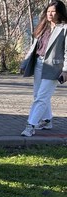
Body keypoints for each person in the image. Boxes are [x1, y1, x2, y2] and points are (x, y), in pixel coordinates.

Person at [20, 0, 67, 137]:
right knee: (38, 95)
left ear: (59, 13)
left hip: (54, 67)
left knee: (41, 97)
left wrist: (65, 70)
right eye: (48, 11)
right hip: (39, 64)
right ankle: (47, 121)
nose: (50, 14)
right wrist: (25, 63)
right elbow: (34, 47)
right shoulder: (43, 27)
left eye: (53, 11)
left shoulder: (64, 29)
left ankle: (30, 125)